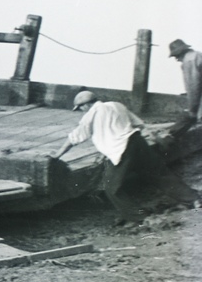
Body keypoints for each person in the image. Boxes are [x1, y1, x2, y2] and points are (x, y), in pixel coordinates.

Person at [56, 90, 199, 219]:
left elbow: (73, 138)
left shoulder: (90, 115)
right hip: (137, 141)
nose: (81, 111)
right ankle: (193, 199)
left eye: (80, 108)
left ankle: (138, 217)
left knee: (112, 188)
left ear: (85, 105)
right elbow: (140, 124)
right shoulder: (116, 105)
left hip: (121, 149)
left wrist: (57, 155)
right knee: (160, 174)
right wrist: (157, 139)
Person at [169, 39, 202, 129]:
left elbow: (194, 87)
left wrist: (192, 110)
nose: (177, 60)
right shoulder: (198, 55)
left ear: (180, 53)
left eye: (176, 56)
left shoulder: (189, 61)